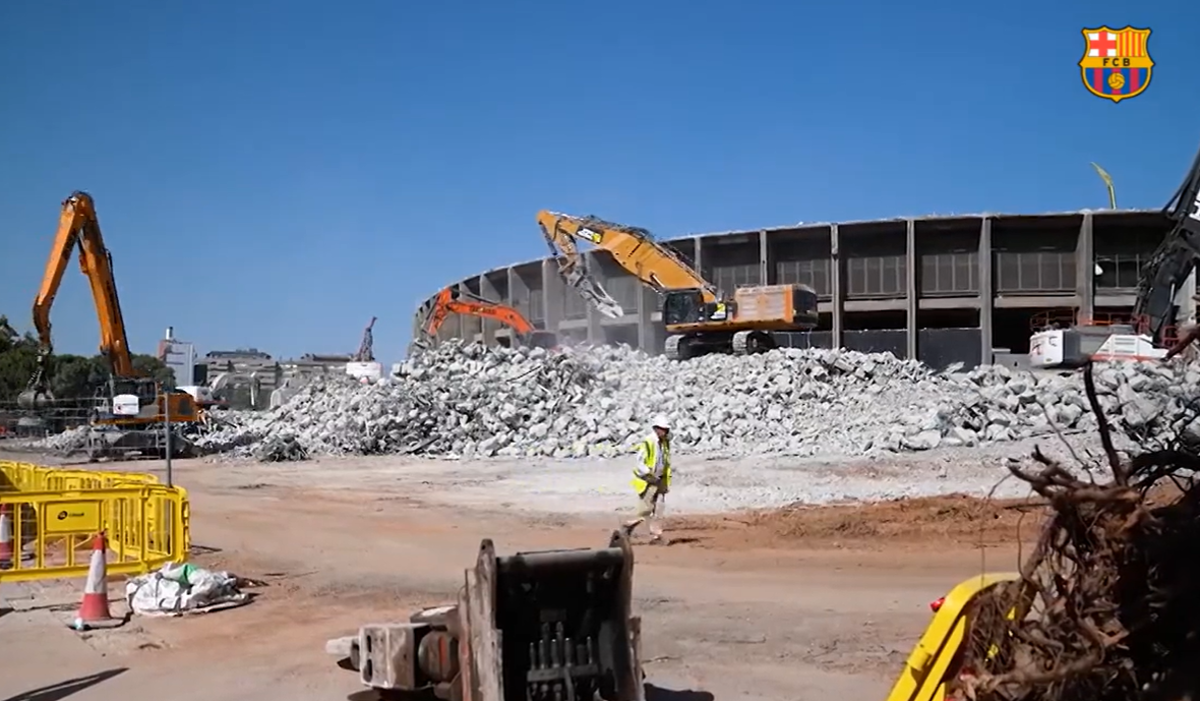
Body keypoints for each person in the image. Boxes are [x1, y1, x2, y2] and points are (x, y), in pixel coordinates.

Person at [622, 414, 672, 543]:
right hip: (648, 480)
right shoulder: (648, 442)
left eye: (666, 429)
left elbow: (664, 461)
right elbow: (639, 462)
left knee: (659, 508)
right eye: (663, 429)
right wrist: (648, 473)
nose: (665, 432)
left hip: (660, 479)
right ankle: (627, 527)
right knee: (645, 510)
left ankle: (657, 536)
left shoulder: (665, 442)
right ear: (656, 428)